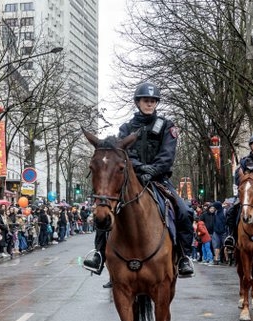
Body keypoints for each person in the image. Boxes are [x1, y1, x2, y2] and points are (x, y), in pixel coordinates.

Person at [83, 82, 195, 278]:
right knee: (106, 207)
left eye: (153, 101)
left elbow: (168, 155)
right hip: (133, 177)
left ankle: (184, 256)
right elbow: (122, 155)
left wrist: (153, 170)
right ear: (138, 102)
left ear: (156, 103)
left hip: (159, 179)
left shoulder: (167, 126)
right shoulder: (126, 128)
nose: (149, 104)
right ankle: (99, 254)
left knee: (184, 211)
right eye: (145, 100)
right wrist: (140, 168)